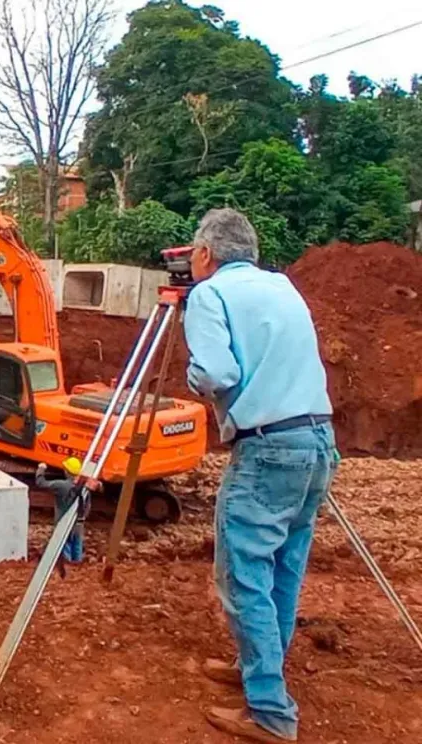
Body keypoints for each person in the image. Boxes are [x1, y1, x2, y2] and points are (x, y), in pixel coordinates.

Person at [183, 208, 336, 743]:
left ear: (205, 254)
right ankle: (260, 669)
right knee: (283, 568)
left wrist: (192, 373)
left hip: (268, 448)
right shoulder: (283, 286)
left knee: (244, 573)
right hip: (317, 440)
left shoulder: (209, 296)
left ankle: (270, 709)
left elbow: (217, 373)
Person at [34, 457, 89, 563]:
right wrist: (82, 517)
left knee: (65, 545)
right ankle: (78, 566)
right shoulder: (84, 487)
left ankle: (69, 568)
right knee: (77, 545)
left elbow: (41, 483)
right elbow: (87, 504)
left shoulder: (61, 485)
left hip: (63, 522)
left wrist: (41, 469)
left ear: (67, 471)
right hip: (79, 523)